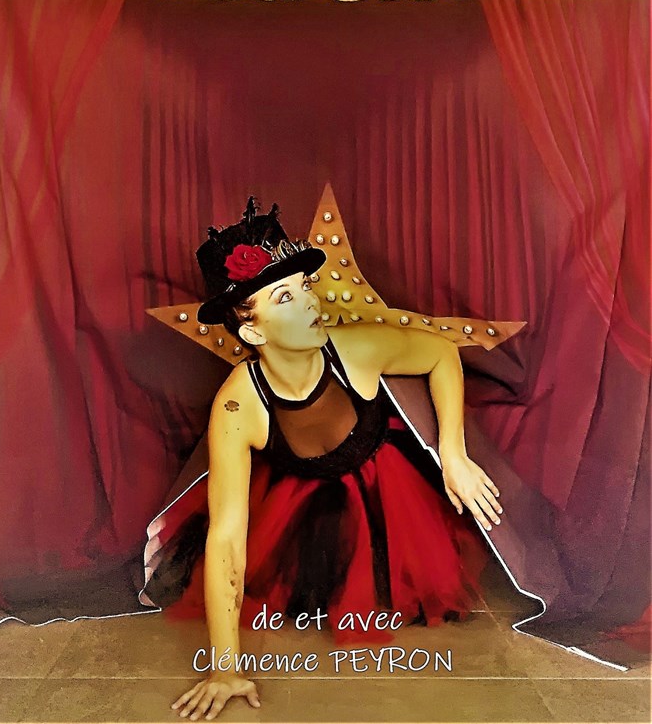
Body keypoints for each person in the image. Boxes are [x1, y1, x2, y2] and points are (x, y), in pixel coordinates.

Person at [143, 199, 502, 722]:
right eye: (285, 298)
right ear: (254, 332)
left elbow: (441, 353)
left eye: (305, 287)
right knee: (289, 586)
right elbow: (226, 537)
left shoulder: (356, 350)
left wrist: (453, 453)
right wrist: (224, 668)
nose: (309, 302)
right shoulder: (239, 405)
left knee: (395, 592)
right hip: (302, 497)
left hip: (387, 484)